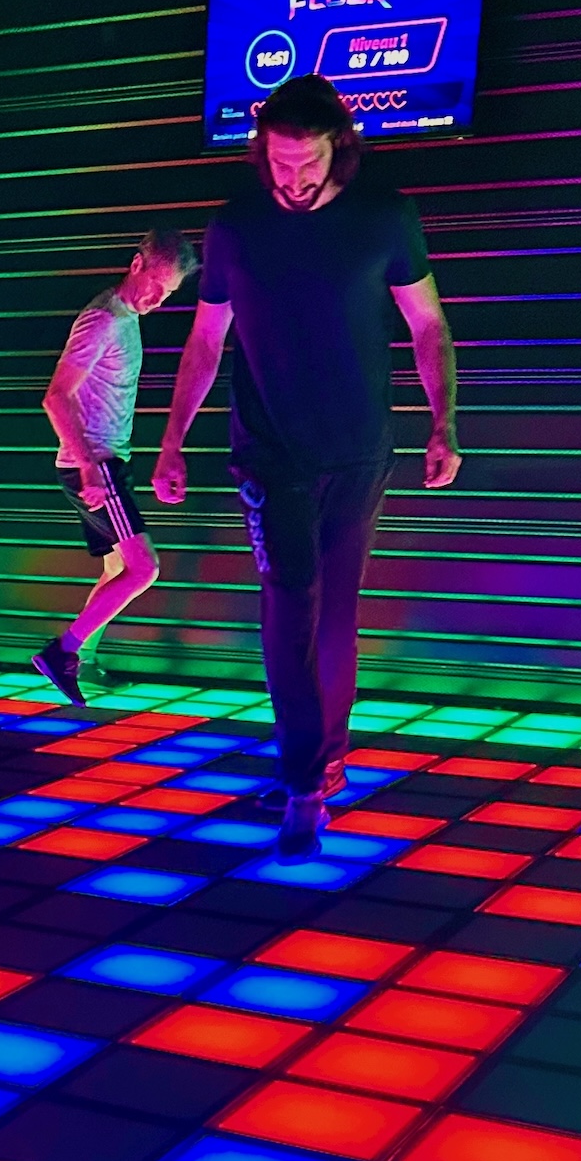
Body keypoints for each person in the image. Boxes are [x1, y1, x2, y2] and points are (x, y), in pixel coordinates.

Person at [153, 74, 460, 856]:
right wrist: (171, 439)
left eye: (309, 162)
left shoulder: (384, 216)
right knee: (290, 606)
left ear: (340, 150)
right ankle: (301, 785)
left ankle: (327, 760)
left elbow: (428, 324)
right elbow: (205, 338)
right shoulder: (236, 226)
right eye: (279, 163)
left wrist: (443, 423)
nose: (293, 180)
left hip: (359, 447)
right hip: (270, 451)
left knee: (336, 616)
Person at [32, 228, 196, 705]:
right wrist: (88, 467)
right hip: (95, 464)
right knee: (144, 569)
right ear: (136, 264)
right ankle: (63, 653)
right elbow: (56, 398)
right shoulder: (103, 319)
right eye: (155, 285)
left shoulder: (126, 316)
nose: (157, 300)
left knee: (116, 569)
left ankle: (83, 660)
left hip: (105, 462)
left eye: (168, 294)